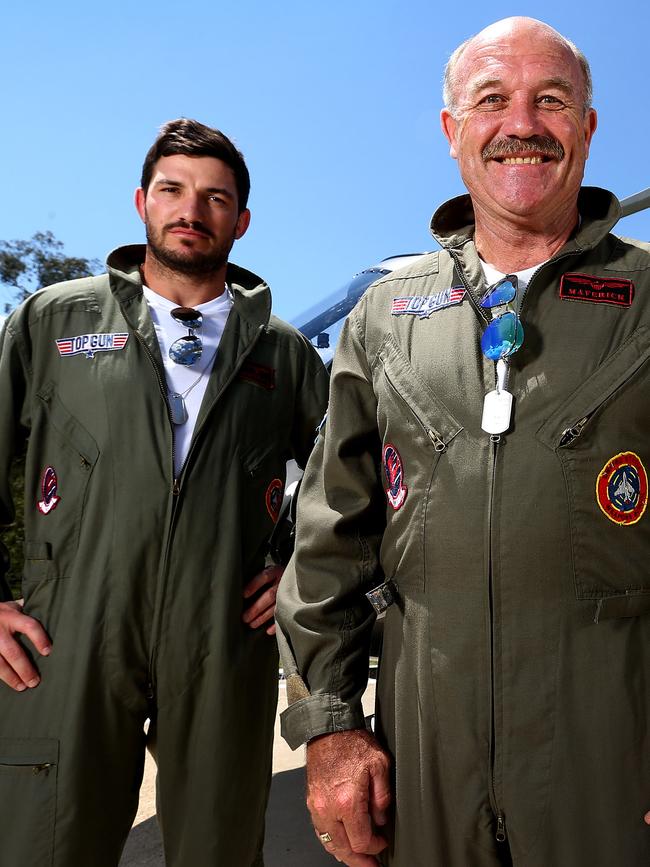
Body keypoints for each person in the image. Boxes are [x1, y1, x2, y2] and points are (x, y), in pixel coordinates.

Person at [275, 17, 650, 867]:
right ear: (453, 132)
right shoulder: (384, 315)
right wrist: (331, 731)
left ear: (587, 128)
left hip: (613, 760)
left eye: (550, 101)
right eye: (492, 100)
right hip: (426, 768)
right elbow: (330, 539)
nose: (522, 123)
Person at [0, 118, 328, 866]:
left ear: (240, 221)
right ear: (142, 201)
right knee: (44, 843)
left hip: (224, 641)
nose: (192, 210)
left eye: (216, 198)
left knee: (218, 845)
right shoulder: (54, 321)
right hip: (68, 638)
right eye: (174, 191)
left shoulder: (284, 352)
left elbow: (352, 486)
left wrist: (300, 572)